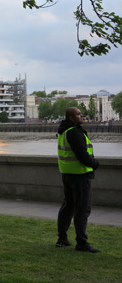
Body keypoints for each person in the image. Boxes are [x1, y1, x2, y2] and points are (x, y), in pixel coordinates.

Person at [56, 107, 100, 253]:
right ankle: (81, 242)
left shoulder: (64, 131)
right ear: (71, 118)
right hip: (80, 175)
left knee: (68, 207)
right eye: (78, 114)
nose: (82, 116)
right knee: (82, 209)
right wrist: (95, 164)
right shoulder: (74, 132)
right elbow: (83, 155)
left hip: (67, 174)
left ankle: (62, 239)